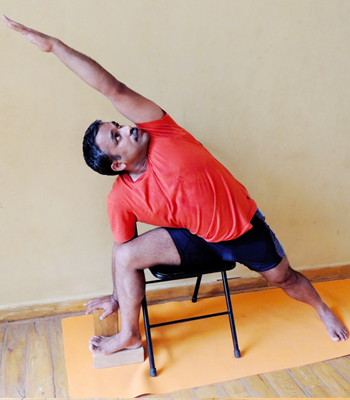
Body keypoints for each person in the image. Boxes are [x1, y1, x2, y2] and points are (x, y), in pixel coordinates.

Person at [3, 15, 348, 356]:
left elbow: (112, 88)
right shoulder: (120, 199)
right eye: (117, 136)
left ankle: (321, 309)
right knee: (125, 254)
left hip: (242, 229)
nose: (127, 128)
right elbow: (120, 251)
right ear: (118, 164)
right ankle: (129, 334)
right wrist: (115, 296)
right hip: (195, 239)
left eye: (118, 125)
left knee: (284, 278)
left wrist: (54, 46)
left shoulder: (161, 130)